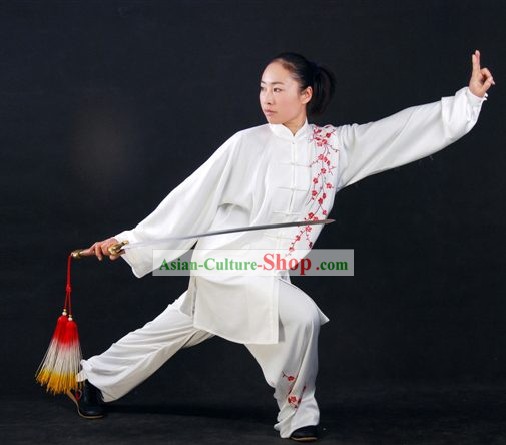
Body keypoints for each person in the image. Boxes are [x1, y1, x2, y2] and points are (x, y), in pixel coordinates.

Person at [67, 50, 494, 442]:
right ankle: (298, 413)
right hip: (225, 266)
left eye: (278, 88)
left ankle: (94, 381)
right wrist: (129, 241)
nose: (266, 98)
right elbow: (190, 198)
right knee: (302, 316)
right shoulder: (245, 144)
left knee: (179, 325)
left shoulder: (335, 148)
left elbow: (397, 132)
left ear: (305, 94)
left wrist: (467, 100)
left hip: (270, 270)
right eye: (262, 88)